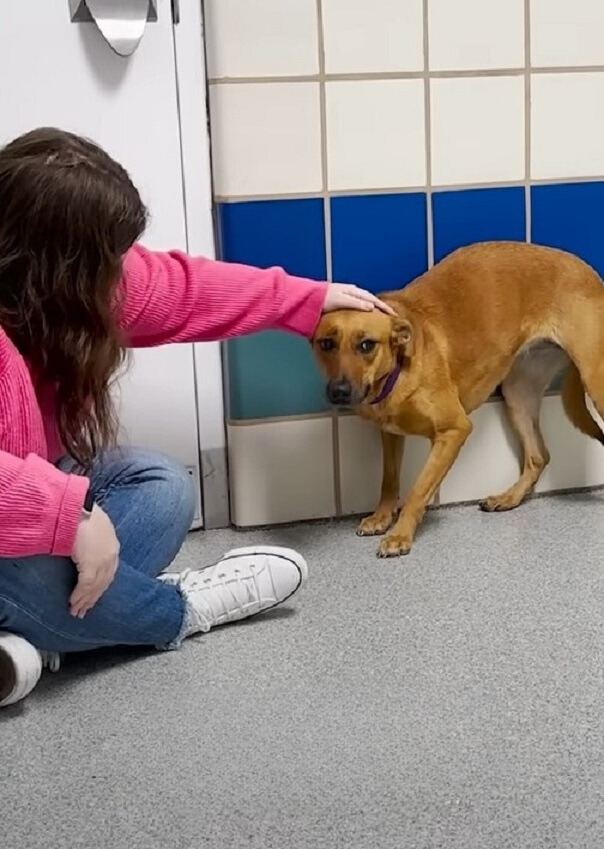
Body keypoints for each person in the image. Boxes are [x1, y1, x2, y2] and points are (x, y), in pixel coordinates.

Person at [0, 127, 392, 708]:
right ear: (57, 264)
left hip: (22, 491)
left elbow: (182, 290)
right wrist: (68, 513)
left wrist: (307, 300)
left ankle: (42, 637)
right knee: (26, 572)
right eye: (109, 257)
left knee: (159, 485)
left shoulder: (67, 290)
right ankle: (178, 609)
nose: (122, 269)